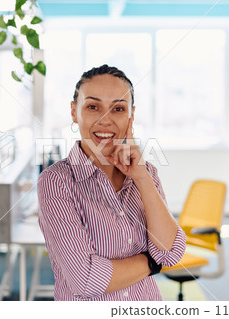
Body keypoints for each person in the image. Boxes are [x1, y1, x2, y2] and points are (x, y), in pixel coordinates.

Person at [37, 65, 186, 301]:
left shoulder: (147, 174)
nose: (105, 120)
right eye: (93, 107)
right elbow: (85, 279)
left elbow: (171, 252)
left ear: (131, 115)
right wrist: (151, 261)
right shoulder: (56, 181)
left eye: (118, 108)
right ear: (74, 112)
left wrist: (142, 178)